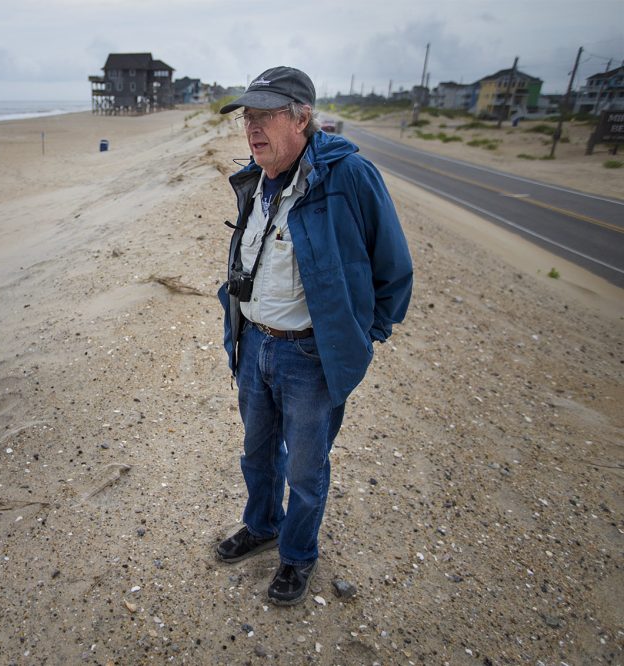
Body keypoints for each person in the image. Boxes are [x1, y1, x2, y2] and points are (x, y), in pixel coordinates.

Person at [216, 66, 413, 606]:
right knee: (257, 456)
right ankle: (262, 525)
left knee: (305, 469)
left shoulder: (348, 175)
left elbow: (392, 268)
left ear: (302, 117)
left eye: (264, 116)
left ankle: (297, 556)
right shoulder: (257, 176)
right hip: (254, 343)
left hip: (310, 356)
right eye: (247, 118)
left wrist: (363, 335)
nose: (252, 128)